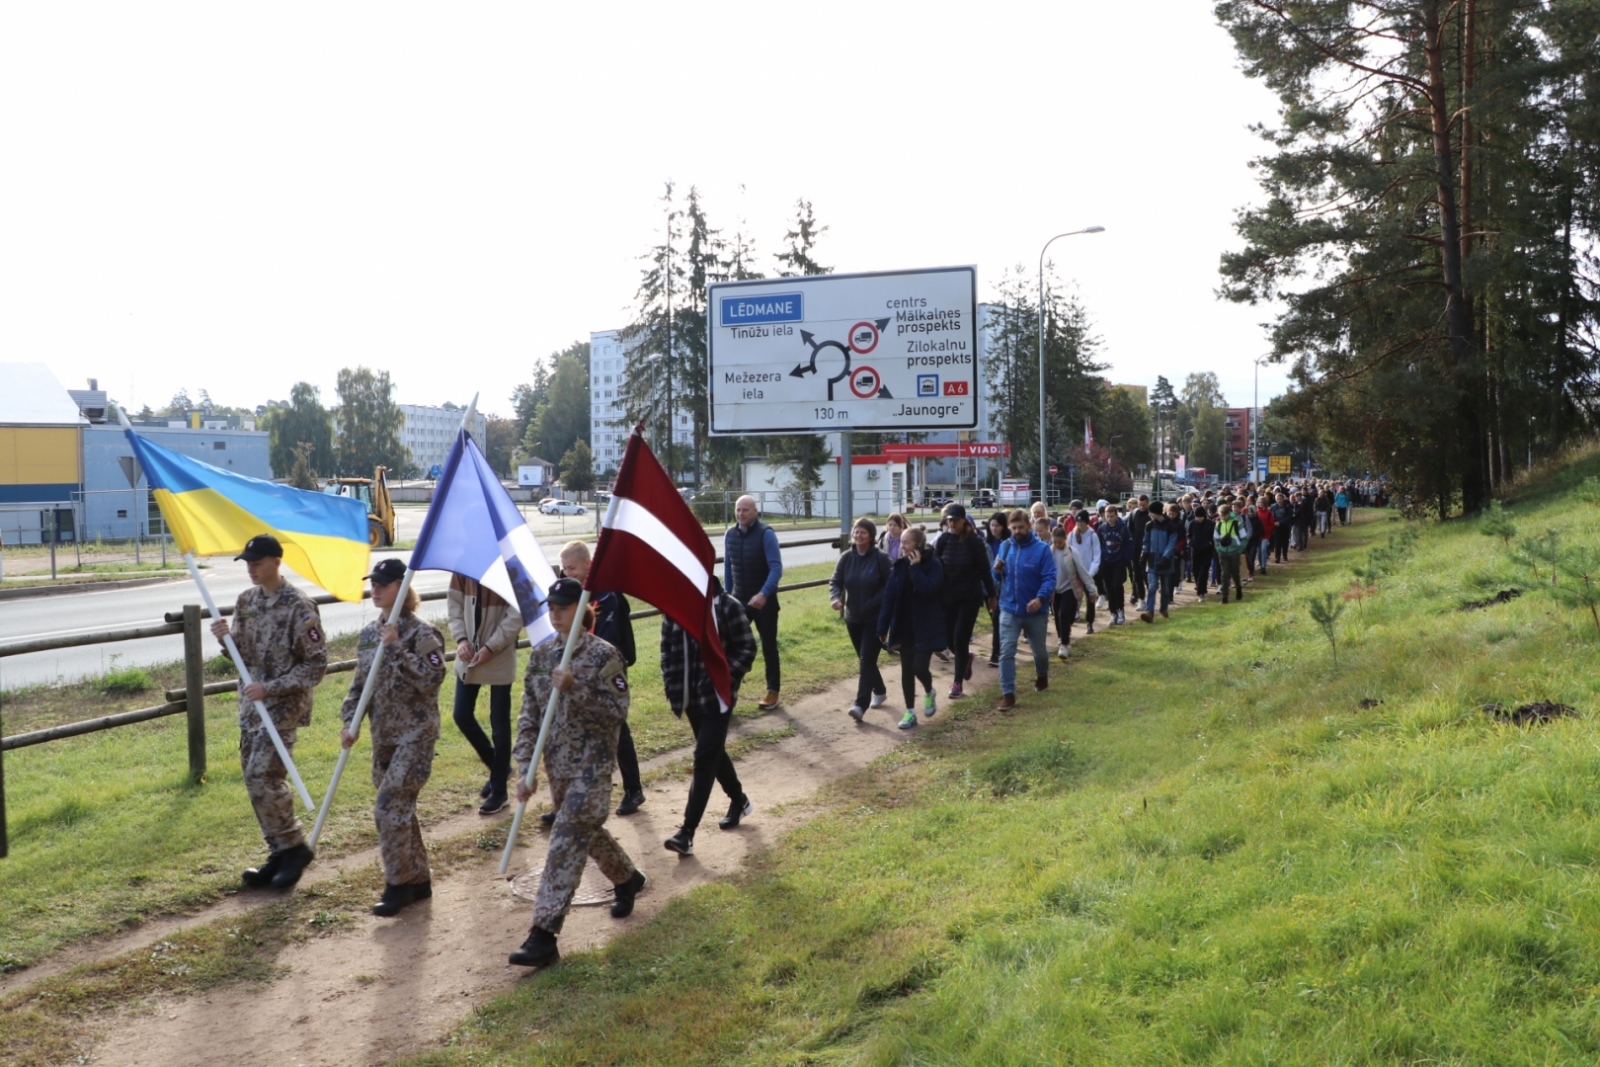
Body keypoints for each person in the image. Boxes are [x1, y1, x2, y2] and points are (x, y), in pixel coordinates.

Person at [508, 578, 646, 969]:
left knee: (566, 836)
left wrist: (575, 687)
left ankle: (543, 935)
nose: (555, 613)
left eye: (563, 607)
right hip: (559, 770)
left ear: (582, 610)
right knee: (585, 832)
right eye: (551, 606)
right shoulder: (541, 656)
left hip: (594, 766)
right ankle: (627, 878)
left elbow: (616, 712)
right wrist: (525, 767)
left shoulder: (604, 655)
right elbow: (529, 718)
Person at [211, 534, 326, 891]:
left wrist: (271, 688)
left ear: (277, 561)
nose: (251, 569)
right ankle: (279, 851)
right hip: (251, 707)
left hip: (282, 706)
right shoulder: (245, 600)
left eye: (257, 563)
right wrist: (225, 640)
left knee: (265, 775)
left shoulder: (299, 607)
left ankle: (293, 848)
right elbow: (244, 656)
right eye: (247, 563)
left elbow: (316, 665)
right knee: (253, 779)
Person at [340, 559, 446, 917]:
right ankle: (418, 879)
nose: (377, 589)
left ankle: (397, 885)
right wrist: (349, 720)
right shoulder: (370, 633)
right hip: (383, 736)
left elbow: (432, 679)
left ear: (402, 588)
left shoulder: (422, 633)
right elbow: (359, 685)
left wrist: (398, 646)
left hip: (416, 735)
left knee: (388, 808)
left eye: (384, 584)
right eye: (374, 583)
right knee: (401, 811)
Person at [661, 576, 759, 855]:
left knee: (704, 758)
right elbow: (667, 652)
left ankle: (686, 832)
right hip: (690, 698)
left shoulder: (728, 606)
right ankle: (739, 801)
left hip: (719, 698)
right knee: (714, 753)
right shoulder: (675, 608)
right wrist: (672, 685)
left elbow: (747, 647)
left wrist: (724, 678)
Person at [559, 541, 644, 817]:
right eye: (564, 568)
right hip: (580, 669)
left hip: (608, 669)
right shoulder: (573, 592)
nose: (567, 572)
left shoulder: (607, 595)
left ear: (587, 564)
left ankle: (634, 789)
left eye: (572, 567)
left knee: (615, 726)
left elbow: (602, 639)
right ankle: (572, 797)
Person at [447, 574, 522, 816]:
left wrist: (492, 646)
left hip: (499, 653)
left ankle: (499, 790)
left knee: (499, 724)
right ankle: (498, 768)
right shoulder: (462, 567)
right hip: (468, 652)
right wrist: (460, 639)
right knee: (461, 714)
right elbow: (454, 605)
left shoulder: (509, 567)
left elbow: (517, 613)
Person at [877, 526, 946, 729]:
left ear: (918, 544)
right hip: (904, 626)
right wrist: (882, 628)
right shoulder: (899, 567)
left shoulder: (934, 565)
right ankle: (910, 712)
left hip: (926, 625)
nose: (903, 545)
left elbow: (928, 590)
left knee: (919, 667)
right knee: (907, 669)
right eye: (902, 542)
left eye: (907, 542)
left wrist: (915, 567)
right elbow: (889, 598)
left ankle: (929, 691)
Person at [992, 509, 1055, 709]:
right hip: (1010, 608)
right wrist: (996, 571)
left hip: (1035, 611)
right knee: (1007, 651)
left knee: (1039, 651)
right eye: (1013, 528)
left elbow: (1050, 577)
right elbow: (996, 578)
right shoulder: (1005, 546)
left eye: (1021, 527)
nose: (1017, 531)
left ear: (1029, 525)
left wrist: (1040, 598)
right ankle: (1008, 693)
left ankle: (1042, 673)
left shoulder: (1042, 549)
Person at [829, 517, 892, 720]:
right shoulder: (847, 557)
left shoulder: (880, 558)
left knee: (866, 660)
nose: (858, 535)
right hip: (852, 618)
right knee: (865, 659)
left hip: (874, 618)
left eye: (863, 532)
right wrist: (835, 597)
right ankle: (880, 690)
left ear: (871, 536)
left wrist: (873, 602)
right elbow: (836, 581)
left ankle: (860, 704)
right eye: (856, 531)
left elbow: (890, 587)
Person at [725, 495, 783, 711]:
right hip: (739, 603)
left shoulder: (766, 534)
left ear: (755, 511)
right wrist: (726, 597)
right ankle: (728, 694)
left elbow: (776, 568)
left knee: (769, 647)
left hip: (764, 603)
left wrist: (763, 594)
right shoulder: (729, 534)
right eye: (738, 510)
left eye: (745, 510)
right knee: (731, 647)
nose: (741, 514)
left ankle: (773, 691)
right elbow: (729, 569)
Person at [934, 503, 996, 699]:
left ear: (963, 520)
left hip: (969, 596)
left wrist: (991, 597)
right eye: (949, 520)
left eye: (955, 520)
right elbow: (935, 567)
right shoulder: (943, 540)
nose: (952, 523)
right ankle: (967, 658)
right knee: (947, 638)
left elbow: (985, 571)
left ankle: (957, 683)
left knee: (960, 638)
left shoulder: (975, 542)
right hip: (947, 597)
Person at [1139, 503, 1181, 623]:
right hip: (1152, 561)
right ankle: (1149, 612)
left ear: (1157, 512)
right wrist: (1144, 554)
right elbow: (1146, 542)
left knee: (1166, 589)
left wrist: (1165, 557)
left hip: (1166, 561)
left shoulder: (1170, 526)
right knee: (1152, 587)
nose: (1149, 514)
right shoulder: (1149, 525)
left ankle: (1163, 609)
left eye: (1151, 512)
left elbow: (1171, 544)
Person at [1096, 503, 1134, 625]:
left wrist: (1125, 559)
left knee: (1117, 585)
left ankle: (1120, 610)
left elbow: (1129, 544)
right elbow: (1098, 545)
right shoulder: (1102, 529)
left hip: (1119, 561)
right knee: (1109, 588)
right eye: (1107, 516)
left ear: (1116, 516)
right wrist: (1100, 560)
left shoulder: (1123, 528)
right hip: (1106, 562)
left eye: (1112, 516)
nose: (1110, 519)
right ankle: (1113, 612)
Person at [983, 512, 1010, 666]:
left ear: (1003, 527)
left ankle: (996, 654)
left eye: (997, 525)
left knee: (997, 620)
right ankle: (1003, 646)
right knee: (995, 620)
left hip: (1004, 588)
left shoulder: (1008, 543)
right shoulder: (985, 543)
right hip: (988, 587)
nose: (994, 528)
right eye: (991, 525)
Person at [1214, 503, 1247, 603]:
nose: (1223, 517)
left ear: (1229, 513)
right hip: (1223, 553)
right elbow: (1215, 539)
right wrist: (1218, 549)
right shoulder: (1218, 525)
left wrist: (1240, 550)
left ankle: (1238, 589)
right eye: (1221, 515)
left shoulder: (1238, 524)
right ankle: (1225, 598)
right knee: (1224, 575)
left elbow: (1245, 538)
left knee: (1235, 574)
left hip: (1234, 553)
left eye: (1224, 515)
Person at [1188, 505, 1216, 603]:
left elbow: (1214, 537)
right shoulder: (1192, 524)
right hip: (1195, 551)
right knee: (1195, 571)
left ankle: (1201, 593)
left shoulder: (1210, 524)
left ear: (1204, 516)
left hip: (1206, 552)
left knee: (1203, 572)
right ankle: (1200, 587)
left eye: (1200, 516)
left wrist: (1210, 543)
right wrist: (1190, 542)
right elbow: (1189, 535)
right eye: (1197, 517)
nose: (1199, 518)